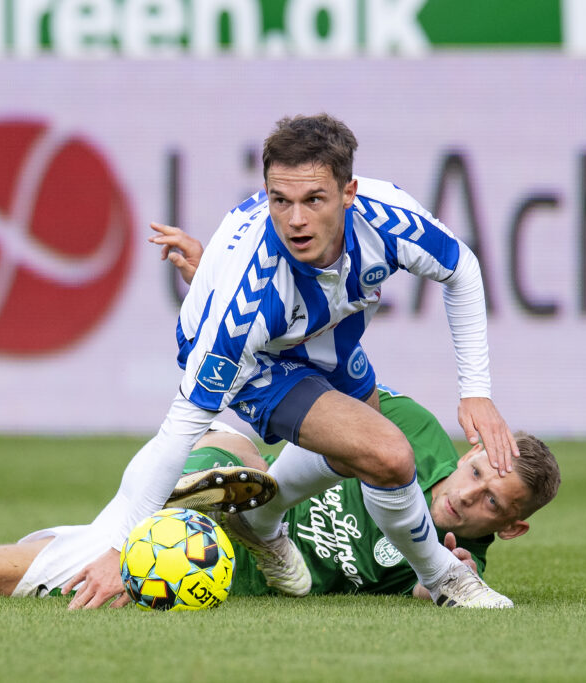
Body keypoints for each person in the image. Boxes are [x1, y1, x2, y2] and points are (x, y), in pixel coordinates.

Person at [68, 114, 520, 609]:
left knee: (356, 446)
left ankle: (262, 520)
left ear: (349, 193)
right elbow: (180, 426)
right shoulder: (246, 304)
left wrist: (476, 389)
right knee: (388, 455)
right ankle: (444, 579)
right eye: (279, 201)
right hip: (257, 356)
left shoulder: (388, 217)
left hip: (326, 334)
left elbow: (462, 269)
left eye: (313, 200)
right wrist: (120, 550)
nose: (296, 220)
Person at [0, 387, 560, 604]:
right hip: (184, 528)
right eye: (478, 470)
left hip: (201, 579)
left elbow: (442, 582)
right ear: (471, 446)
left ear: (509, 529)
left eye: (491, 502)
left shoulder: (453, 568)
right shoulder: (405, 431)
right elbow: (317, 386)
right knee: (239, 438)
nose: (469, 494)